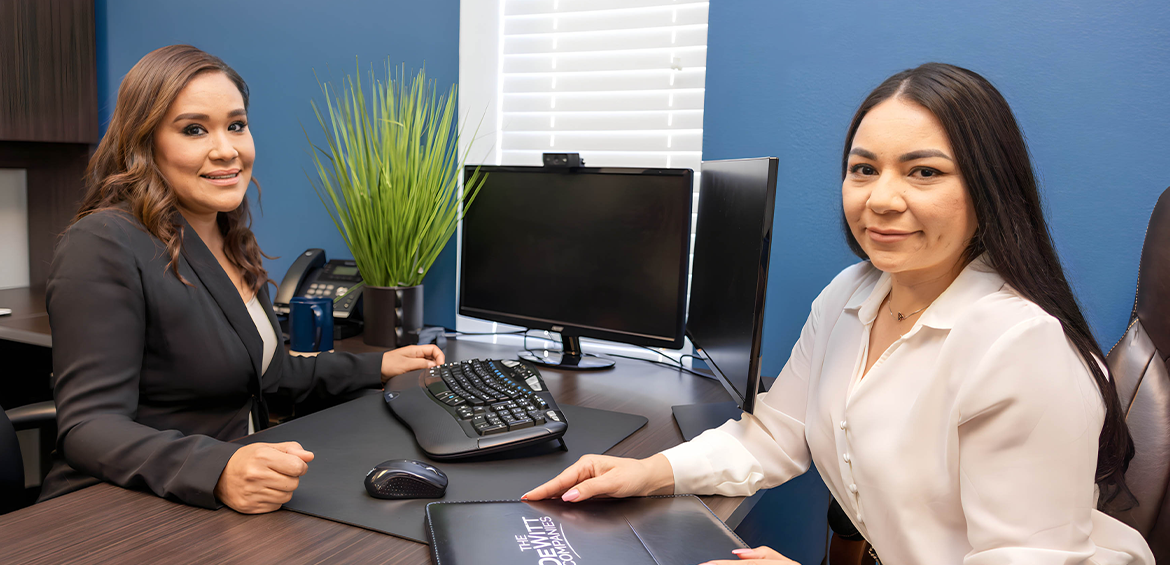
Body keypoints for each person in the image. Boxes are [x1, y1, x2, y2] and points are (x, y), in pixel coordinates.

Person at [525, 63, 1155, 564]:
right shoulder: (852, 293)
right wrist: (649, 472)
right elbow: (777, 432)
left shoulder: (1022, 349)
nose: (881, 199)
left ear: (988, 192)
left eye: (924, 172)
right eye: (863, 169)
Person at [38, 45, 444, 514]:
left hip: (217, 498)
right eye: (194, 129)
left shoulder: (226, 234)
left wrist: (380, 367)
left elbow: (266, 374)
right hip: (117, 507)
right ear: (145, 143)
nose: (226, 149)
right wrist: (218, 470)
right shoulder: (104, 241)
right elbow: (88, 427)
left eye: (236, 125)